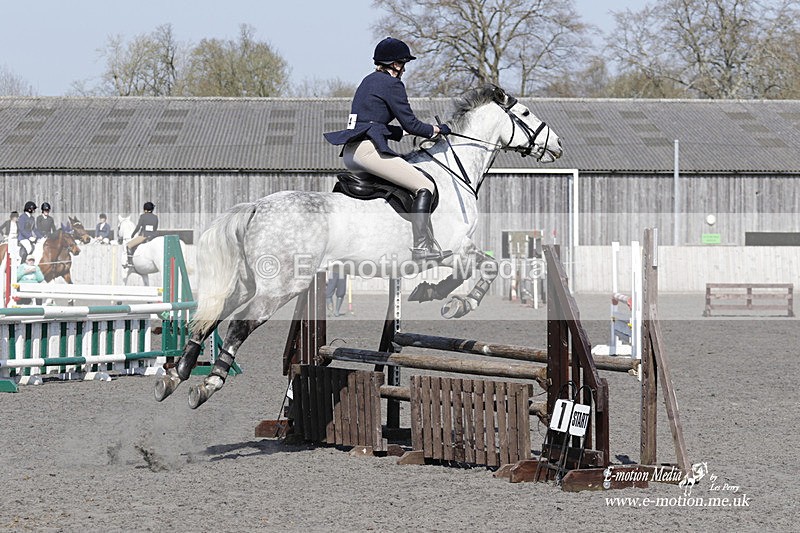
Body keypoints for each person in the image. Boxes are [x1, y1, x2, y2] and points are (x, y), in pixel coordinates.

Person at [324, 37, 452, 262]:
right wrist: (435, 129)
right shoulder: (392, 84)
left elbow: (372, 122)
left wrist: (398, 133)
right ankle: (422, 247)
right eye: (403, 64)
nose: (404, 69)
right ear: (395, 64)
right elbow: (411, 124)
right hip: (368, 153)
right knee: (425, 184)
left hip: (352, 153)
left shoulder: (367, 81)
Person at [125, 202, 158, 268]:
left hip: (144, 236)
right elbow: (155, 227)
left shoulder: (143, 216)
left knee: (128, 245)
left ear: (145, 210)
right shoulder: (155, 217)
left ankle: (130, 263)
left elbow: (138, 227)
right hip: (153, 236)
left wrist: (133, 234)